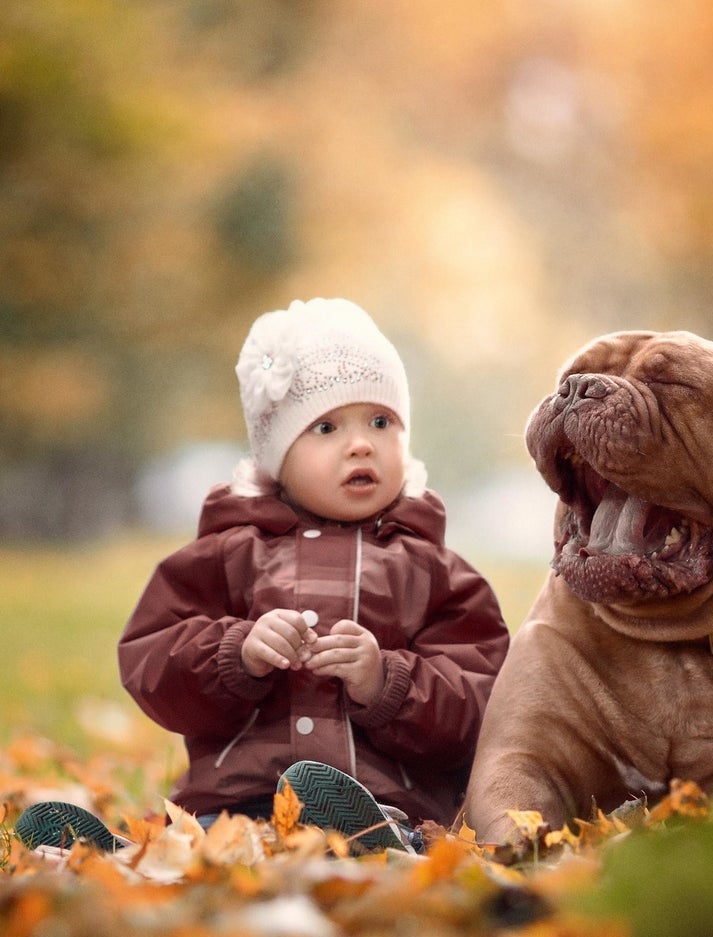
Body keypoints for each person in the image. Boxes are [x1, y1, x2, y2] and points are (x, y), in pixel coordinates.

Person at [17, 298, 509, 855]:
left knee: (372, 832)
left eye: (382, 421)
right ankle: (124, 857)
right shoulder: (230, 553)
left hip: (380, 801)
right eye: (326, 426)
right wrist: (237, 653)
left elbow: (484, 702)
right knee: (212, 844)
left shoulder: (435, 571)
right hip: (236, 804)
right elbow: (152, 660)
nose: (361, 442)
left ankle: (380, 844)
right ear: (278, 455)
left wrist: (386, 681)